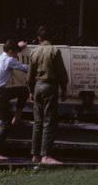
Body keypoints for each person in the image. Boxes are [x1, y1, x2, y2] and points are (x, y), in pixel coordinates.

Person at [27, 26, 68, 165]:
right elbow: (61, 73)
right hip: (50, 87)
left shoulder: (34, 52)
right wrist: (64, 88)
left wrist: (31, 91)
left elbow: (30, 75)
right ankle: (46, 155)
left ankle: (35, 155)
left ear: (39, 38)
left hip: (37, 86)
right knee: (49, 121)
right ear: (51, 38)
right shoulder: (54, 51)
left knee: (37, 122)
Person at [0, 38, 29, 160]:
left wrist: (19, 47)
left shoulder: (1, 56)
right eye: (15, 53)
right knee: (5, 124)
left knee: (23, 91)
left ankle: (17, 117)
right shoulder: (9, 60)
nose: (17, 55)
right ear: (10, 51)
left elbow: (13, 51)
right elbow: (26, 68)